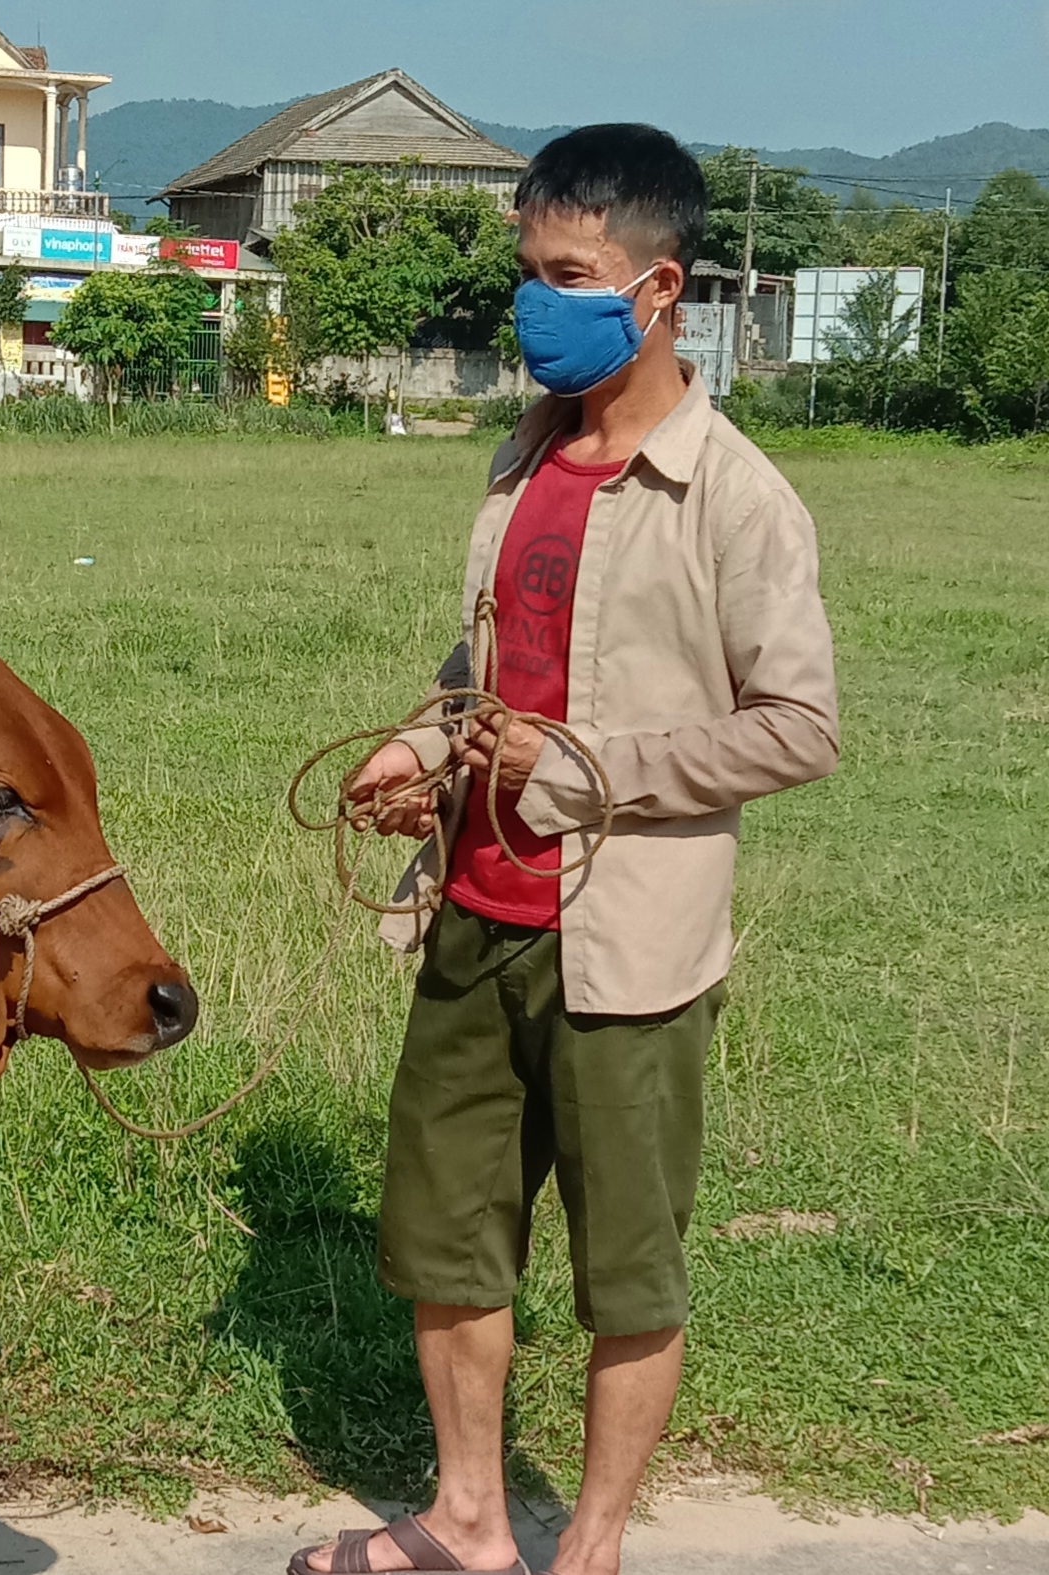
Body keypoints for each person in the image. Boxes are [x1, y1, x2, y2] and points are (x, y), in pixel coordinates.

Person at [291, 125, 840, 1575]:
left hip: (631, 947)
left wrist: (587, 775)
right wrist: (422, 751)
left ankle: (588, 1546)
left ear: (658, 288)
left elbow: (801, 726)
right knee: (447, 1239)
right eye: (529, 271)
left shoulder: (736, 496)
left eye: (569, 274)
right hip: (473, 909)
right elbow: (482, 670)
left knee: (627, 1266)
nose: (536, 301)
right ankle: (469, 1516)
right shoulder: (519, 458)